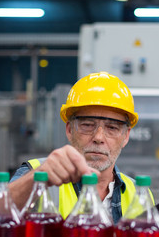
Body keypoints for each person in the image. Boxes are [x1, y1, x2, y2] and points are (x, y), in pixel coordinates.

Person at [9, 71, 143, 224]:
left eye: (112, 128)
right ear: (69, 130)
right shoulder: (37, 172)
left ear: (126, 136)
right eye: (87, 125)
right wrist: (37, 178)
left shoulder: (138, 192)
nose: (98, 138)